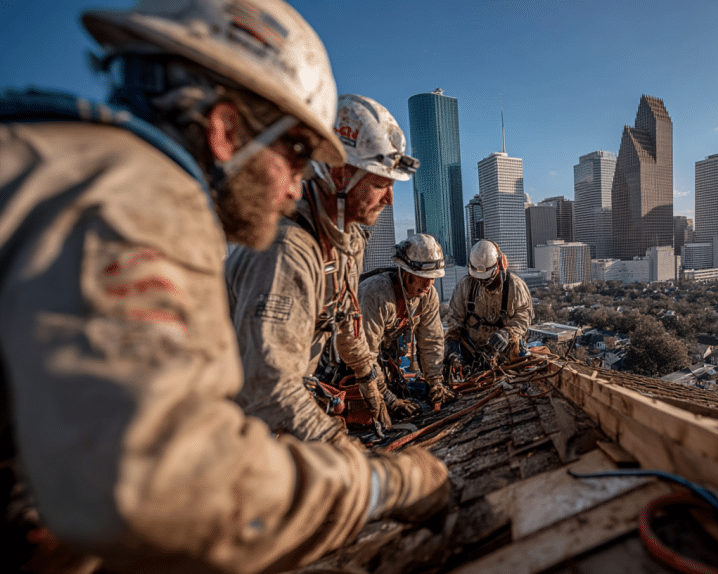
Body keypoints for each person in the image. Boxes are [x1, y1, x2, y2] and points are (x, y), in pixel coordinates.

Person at [0, 1, 447, 572]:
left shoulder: (74, 168)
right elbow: (159, 486)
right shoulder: (136, 202)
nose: (295, 187)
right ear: (227, 130)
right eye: (296, 154)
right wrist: (381, 484)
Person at [226, 94, 418, 440]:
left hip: (282, 398)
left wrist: (373, 386)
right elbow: (269, 389)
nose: (390, 199)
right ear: (341, 174)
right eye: (380, 183)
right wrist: (340, 452)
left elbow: (345, 321)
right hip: (241, 419)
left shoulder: (345, 241)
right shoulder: (287, 251)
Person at [359, 234, 457, 410]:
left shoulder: (428, 296)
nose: (430, 283)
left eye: (433, 277)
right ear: (406, 273)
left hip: (380, 363)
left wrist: (435, 383)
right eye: (424, 277)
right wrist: (386, 397)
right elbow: (364, 354)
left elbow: (431, 340)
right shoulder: (376, 294)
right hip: (351, 363)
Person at [445, 240, 534, 375]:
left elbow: (524, 315)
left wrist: (508, 332)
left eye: (486, 278)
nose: (482, 282)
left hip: (503, 348)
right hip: (472, 348)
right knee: (447, 364)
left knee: (518, 354)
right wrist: (453, 349)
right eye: (478, 278)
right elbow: (454, 319)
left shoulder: (514, 287)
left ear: (498, 266)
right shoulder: (465, 287)